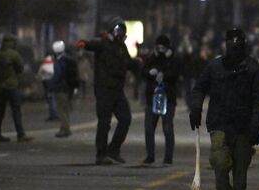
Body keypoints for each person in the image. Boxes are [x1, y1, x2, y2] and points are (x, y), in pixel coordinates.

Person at [190, 28, 259, 190]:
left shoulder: (252, 69)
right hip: (220, 125)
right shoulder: (215, 67)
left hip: (243, 128)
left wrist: (255, 128)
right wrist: (196, 108)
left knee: (240, 173)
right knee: (220, 165)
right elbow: (200, 87)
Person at [76, 17, 136, 165]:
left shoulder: (122, 47)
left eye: (121, 30)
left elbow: (128, 63)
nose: (119, 33)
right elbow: (91, 44)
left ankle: (113, 150)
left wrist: (139, 63)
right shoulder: (103, 43)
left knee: (126, 118)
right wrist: (84, 43)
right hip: (104, 89)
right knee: (104, 122)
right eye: (117, 29)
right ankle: (101, 154)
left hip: (117, 90)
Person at [142, 35, 180, 165]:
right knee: (149, 128)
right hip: (152, 97)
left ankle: (168, 157)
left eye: (163, 47)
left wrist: (164, 76)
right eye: (158, 47)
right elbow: (143, 71)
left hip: (168, 98)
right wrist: (149, 73)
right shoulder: (152, 58)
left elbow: (176, 73)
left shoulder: (173, 59)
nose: (160, 49)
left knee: (167, 127)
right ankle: (150, 156)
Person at [0, 34, 33, 143]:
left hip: (0, 86)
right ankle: (20, 134)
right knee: (16, 110)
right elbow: (20, 68)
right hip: (11, 85)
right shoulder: (14, 54)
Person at [50, 41, 73, 138]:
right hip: (67, 88)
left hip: (60, 88)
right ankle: (65, 128)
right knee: (65, 109)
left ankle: (65, 129)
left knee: (61, 110)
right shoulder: (68, 60)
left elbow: (57, 76)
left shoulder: (60, 62)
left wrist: (51, 84)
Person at [37, 54, 58, 121]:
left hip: (46, 83)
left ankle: (52, 115)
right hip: (53, 82)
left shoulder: (44, 64)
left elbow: (39, 74)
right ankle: (55, 115)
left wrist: (43, 76)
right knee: (53, 99)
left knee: (50, 99)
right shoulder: (53, 63)